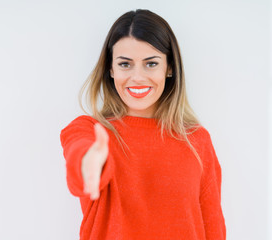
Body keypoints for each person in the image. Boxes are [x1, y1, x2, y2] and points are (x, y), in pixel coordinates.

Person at [60, 9, 226, 240]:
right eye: (125, 64)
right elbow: (79, 153)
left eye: (151, 64)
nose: (137, 77)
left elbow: (213, 227)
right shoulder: (91, 130)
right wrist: (89, 162)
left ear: (169, 68)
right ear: (111, 69)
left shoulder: (197, 140)